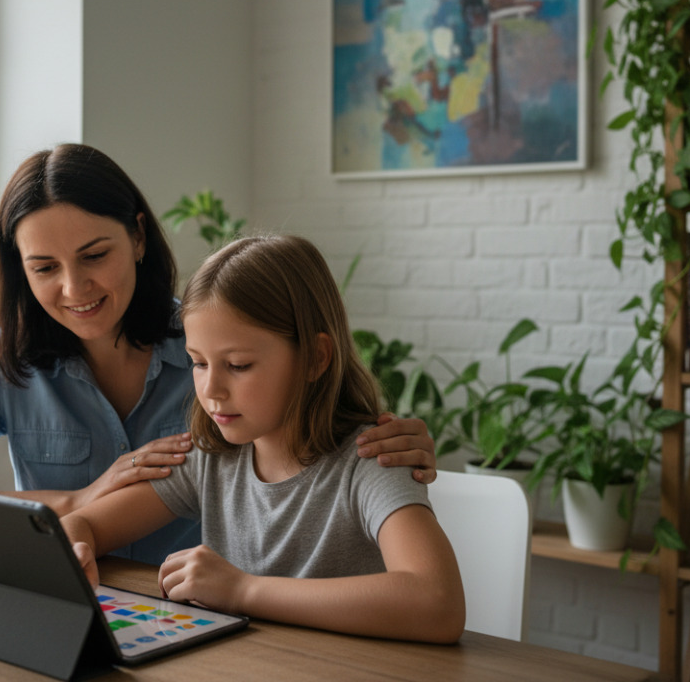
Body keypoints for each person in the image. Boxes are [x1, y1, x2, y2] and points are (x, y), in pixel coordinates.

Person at [0, 143, 439, 565]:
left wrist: (378, 434)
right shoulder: (7, 352)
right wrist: (75, 501)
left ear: (138, 238)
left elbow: (317, 427)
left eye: (95, 255)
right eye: (45, 268)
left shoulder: (208, 342)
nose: (74, 289)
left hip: (203, 615)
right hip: (90, 595)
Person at [61, 234, 464, 643]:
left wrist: (244, 590)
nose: (211, 389)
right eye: (198, 363)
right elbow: (83, 524)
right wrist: (75, 542)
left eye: (238, 365)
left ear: (315, 358)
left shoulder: (372, 460)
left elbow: (438, 603)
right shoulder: (212, 458)